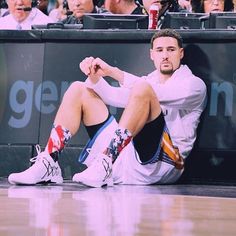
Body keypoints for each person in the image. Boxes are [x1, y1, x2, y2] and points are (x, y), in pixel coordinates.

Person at [8, 29, 207, 187]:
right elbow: (116, 97)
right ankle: (49, 162)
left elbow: (157, 93)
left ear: (181, 53)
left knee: (143, 89)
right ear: (151, 55)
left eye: (171, 50)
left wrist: (114, 72)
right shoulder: (147, 81)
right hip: (130, 158)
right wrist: (96, 76)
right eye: (160, 50)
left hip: (166, 165)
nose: (165, 55)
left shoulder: (194, 84)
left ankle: (105, 161)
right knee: (79, 88)